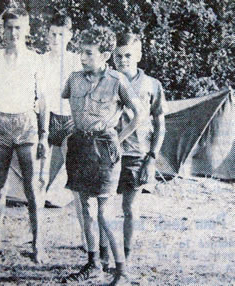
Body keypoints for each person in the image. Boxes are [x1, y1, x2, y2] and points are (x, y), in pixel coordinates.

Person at [61, 26, 143, 285]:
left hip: (104, 148)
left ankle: (122, 271)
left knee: (104, 213)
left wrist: (118, 138)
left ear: (105, 54)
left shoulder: (118, 80)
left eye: (88, 53)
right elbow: (68, 106)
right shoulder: (74, 78)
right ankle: (93, 263)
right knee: (84, 207)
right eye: (80, 53)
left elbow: (139, 114)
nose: (82, 58)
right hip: (79, 146)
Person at [0, 8, 47, 263]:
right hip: (0, 124)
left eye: (18, 27)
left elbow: (42, 100)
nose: (13, 33)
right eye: (9, 27)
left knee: (31, 187)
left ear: (27, 29)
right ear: (3, 30)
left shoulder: (35, 59)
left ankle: (38, 244)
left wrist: (43, 134)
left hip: (26, 124)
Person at [113, 32, 166, 263]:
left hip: (136, 154)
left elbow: (160, 124)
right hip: (109, 152)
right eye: (118, 56)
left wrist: (152, 158)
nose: (123, 60)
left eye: (128, 55)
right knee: (103, 206)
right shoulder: (108, 80)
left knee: (129, 207)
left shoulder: (151, 85)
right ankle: (104, 254)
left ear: (138, 56)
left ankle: (126, 253)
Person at [39, 13, 87, 250]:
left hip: (70, 121)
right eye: (52, 34)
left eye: (61, 35)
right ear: (47, 35)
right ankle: (38, 239)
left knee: (76, 183)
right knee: (40, 178)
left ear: (69, 36)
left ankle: (85, 236)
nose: (56, 39)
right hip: (46, 120)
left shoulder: (76, 61)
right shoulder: (41, 60)